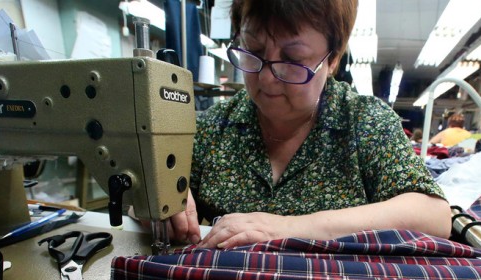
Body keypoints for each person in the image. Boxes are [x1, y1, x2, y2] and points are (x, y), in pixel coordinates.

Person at [168, 0, 450, 249]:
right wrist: (163, 200)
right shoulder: (214, 127)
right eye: (253, 49)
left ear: (332, 60)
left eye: (293, 59)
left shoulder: (365, 122)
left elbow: (433, 216)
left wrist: (286, 228)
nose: (266, 79)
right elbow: (163, 190)